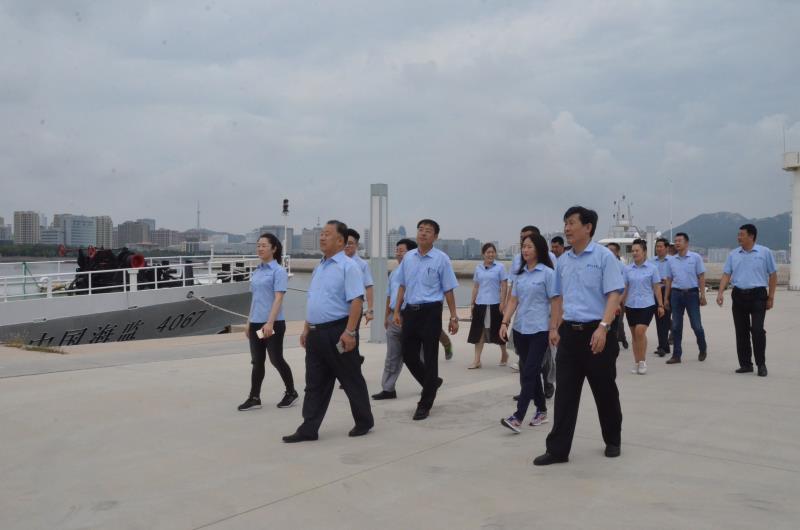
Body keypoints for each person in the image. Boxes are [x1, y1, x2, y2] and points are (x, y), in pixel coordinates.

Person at [533, 206, 624, 466]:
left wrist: (603, 327)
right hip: (569, 336)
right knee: (565, 394)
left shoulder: (604, 257)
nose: (567, 228)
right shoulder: (563, 261)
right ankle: (558, 450)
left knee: (604, 390)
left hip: (597, 333)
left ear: (588, 227)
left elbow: (614, 294)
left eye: (572, 223)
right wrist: (554, 327)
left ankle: (613, 439)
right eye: (565, 223)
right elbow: (558, 297)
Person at [282, 220, 373, 442]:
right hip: (316, 333)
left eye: (327, 234)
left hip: (338, 331)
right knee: (314, 382)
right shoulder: (320, 266)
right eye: (321, 233)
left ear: (340, 241)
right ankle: (308, 428)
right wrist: (306, 328)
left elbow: (356, 301)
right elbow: (314, 300)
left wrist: (350, 332)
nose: (322, 237)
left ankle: (364, 420)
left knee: (350, 378)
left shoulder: (348, 266)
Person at [393, 219, 459, 420]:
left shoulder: (441, 259)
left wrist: (454, 316)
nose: (423, 233)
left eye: (428, 231)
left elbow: (448, 289)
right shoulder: (408, 257)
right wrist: (396, 311)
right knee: (408, 355)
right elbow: (402, 285)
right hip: (410, 312)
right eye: (420, 230)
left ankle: (425, 403)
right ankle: (431, 383)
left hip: (431, 312)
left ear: (435, 237)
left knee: (430, 357)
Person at [499, 233, 557, 433]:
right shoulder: (520, 274)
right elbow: (513, 300)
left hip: (540, 329)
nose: (525, 250)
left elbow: (556, 302)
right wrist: (505, 322)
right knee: (529, 371)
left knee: (529, 372)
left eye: (529, 246)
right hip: (520, 329)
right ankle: (541, 410)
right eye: (523, 246)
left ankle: (518, 417)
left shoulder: (548, 274)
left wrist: (554, 328)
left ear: (539, 249)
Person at [238, 233, 297, 411]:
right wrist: (249, 321)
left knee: (275, 358)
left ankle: (291, 392)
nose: (260, 248)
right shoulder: (257, 271)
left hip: (272, 324)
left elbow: (278, 298)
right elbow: (255, 299)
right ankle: (254, 397)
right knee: (257, 361)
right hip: (256, 323)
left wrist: (270, 323)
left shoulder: (278, 271)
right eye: (258, 245)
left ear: (274, 248)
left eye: (264, 245)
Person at [716, 224, 777, 377]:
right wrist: (720, 292)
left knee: (757, 330)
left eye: (741, 234)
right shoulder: (733, 254)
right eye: (738, 234)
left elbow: (773, 275)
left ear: (751, 236)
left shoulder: (764, 252)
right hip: (738, 295)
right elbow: (726, 274)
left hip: (758, 295)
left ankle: (761, 364)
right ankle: (745, 364)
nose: (738, 237)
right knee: (741, 331)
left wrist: (771, 297)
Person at [372, 238, 418, 400]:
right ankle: (388, 388)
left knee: (416, 355)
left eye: (401, 250)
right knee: (392, 355)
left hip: (410, 316)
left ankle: (429, 382)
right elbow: (389, 295)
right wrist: (387, 316)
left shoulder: (415, 271)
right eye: (397, 250)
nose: (398, 253)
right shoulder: (394, 273)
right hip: (393, 317)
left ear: (411, 253)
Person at [621, 239, 665, 375]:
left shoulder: (652, 268)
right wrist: (619, 304)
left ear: (644, 252)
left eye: (637, 250)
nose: (634, 253)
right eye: (633, 251)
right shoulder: (627, 269)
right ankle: (637, 362)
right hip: (630, 305)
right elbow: (625, 288)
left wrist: (661, 305)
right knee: (635, 336)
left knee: (640, 331)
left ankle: (642, 361)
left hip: (647, 304)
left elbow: (657, 288)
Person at [664, 232, 708, 364]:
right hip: (676, 294)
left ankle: (702, 348)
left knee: (696, 325)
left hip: (692, 294)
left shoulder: (695, 258)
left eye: (680, 241)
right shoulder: (671, 260)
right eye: (676, 241)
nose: (677, 243)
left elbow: (701, 277)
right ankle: (676, 355)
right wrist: (666, 298)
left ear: (687, 243)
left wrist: (702, 295)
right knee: (676, 326)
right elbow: (669, 280)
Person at [467, 243, 508, 369]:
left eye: (492, 252)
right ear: (483, 254)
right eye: (488, 252)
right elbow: (476, 286)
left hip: (495, 303)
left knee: (499, 331)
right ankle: (477, 360)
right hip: (480, 304)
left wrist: (503, 302)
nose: (490, 254)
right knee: (478, 332)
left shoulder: (500, 267)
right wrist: (472, 303)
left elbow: (504, 285)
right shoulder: (478, 268)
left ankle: (504, 354)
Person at [344, 229, 375, 326]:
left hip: (355, 307)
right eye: (345, 243)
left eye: (350, 243)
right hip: (337, 307)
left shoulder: (362, 264)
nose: (347, 246)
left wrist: (370, 310)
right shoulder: (337, 262)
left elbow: (369, 287)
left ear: (357, 245)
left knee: (352, 333)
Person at [650, 238, 672, 357]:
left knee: (664, 318)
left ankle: (663, 346)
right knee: (660, 319)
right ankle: (663, 346)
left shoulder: (672, 261)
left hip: (668, 291)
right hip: (655, 292)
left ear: (667, 248)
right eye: (657, 246)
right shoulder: (651, 261)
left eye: (660, 246)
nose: (658, 249)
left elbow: (677, 277)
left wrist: (668, 282)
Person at [606, 242, 629, 351]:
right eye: (607, 249)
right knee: (607, 322)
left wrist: (620, 301)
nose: (609, 252)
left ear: (617, 252)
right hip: (604, 300)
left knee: (618, 322)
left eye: (612, 250)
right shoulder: (602, 264)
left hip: (618, 299)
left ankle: (620, 339)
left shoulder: (622, 267)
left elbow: (624, 286)